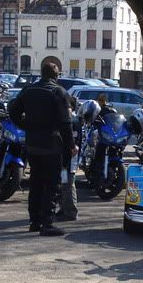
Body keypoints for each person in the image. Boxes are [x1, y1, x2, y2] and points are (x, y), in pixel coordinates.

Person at [8, 61, 75, 236]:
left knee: (36, 183)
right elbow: (65, 123)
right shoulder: (58, 92)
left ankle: (34, 221)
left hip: (32, 144)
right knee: (53, 185)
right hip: (51, 145)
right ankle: (48, 223)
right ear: (56, 75)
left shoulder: (28, 90)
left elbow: (13, 111)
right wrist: (71, 145)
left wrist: (25, 126)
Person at [56, 92, 79, 222]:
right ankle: (63, 208)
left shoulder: (73, 121)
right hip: (63, 156)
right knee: (62, 184)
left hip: (69, 158)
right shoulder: (68, 120)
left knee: (69, 185)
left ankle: (71, 212)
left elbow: (73, 142)